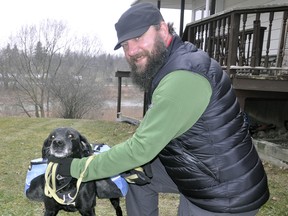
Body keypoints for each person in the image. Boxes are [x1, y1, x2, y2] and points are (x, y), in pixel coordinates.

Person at [49, 3, 269, 215]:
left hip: (222, 195)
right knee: (138, 176)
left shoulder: (181, 78)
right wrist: (130, 163)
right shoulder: (174, 61)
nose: (132, 50)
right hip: (207, 166)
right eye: (125, 45)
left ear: (162, 29)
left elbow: (139, 149)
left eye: (138, 37)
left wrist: (75, 168)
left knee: (135, 162)